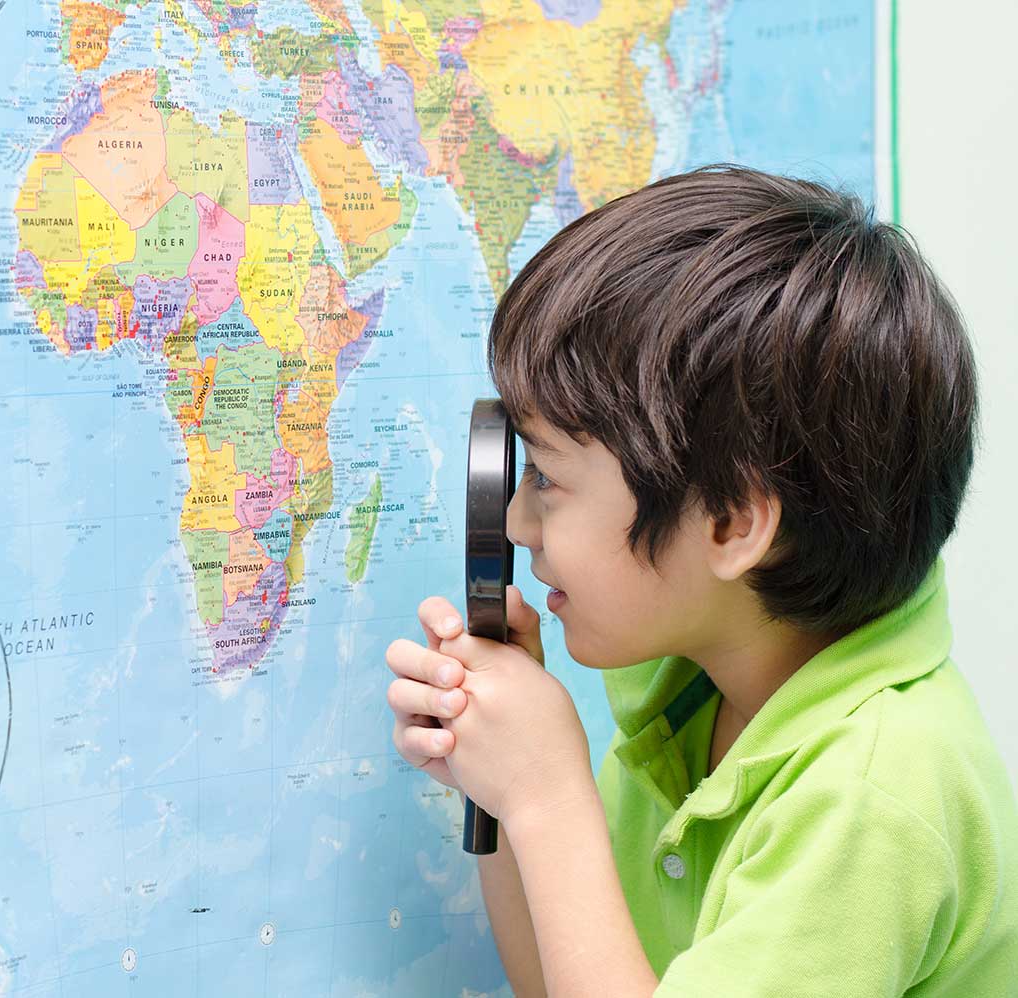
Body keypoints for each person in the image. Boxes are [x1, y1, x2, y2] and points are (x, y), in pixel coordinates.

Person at [385, 164, 1018, 995]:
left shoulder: (876, 792)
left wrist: (550, 800)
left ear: (729, 523)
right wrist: (503, 790)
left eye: (546, 477)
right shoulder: (691, 696)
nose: (515, 524)